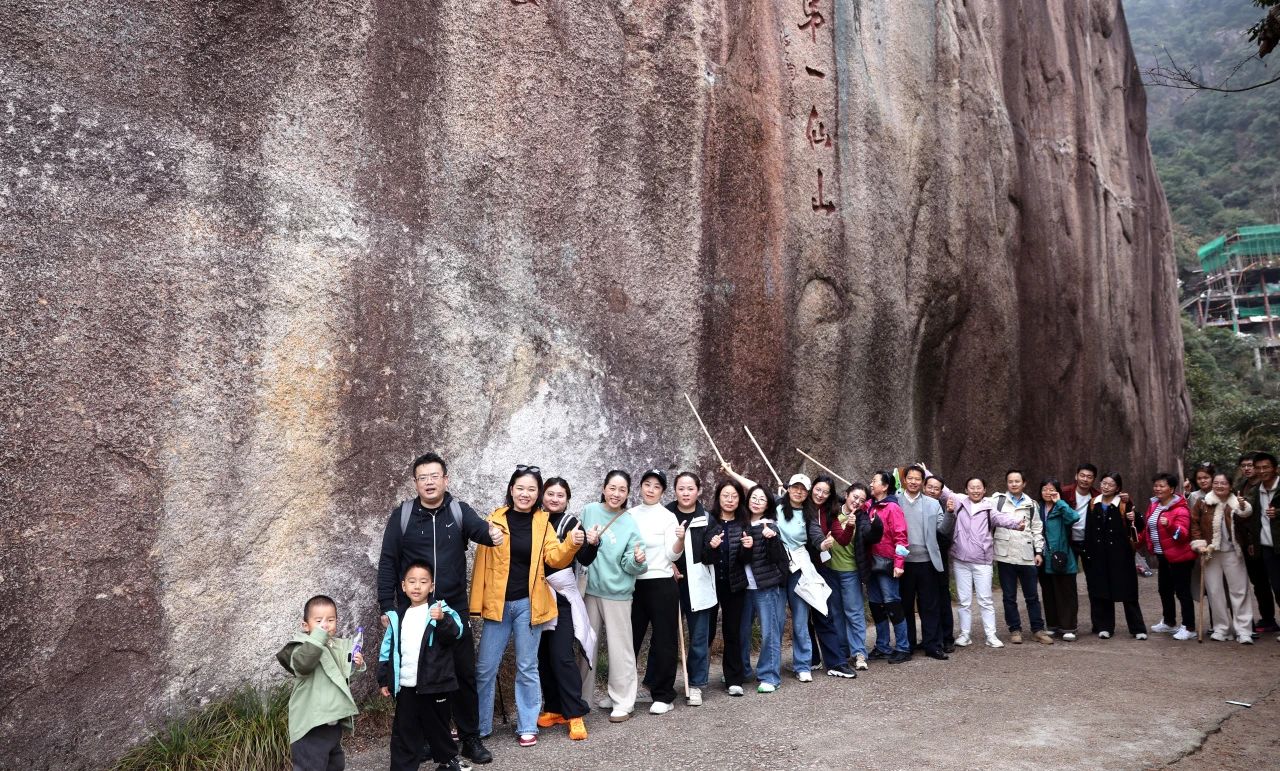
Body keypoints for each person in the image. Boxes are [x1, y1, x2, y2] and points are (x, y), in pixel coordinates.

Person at [377, 453, 501, 765]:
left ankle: (470, 738)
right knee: (420, 678)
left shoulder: (458, 510)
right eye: (423, 477)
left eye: (435, 476)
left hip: (452, 610)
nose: (429, 482)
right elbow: (388, 561)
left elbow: (479, 530)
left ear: (445, 479)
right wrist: (386, 606)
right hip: (415, 613)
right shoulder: (403, 515)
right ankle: (427, 741)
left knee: (463, 673)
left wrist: (491, 534)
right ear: (415, 482)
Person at [471, 467, 581, 747]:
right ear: (511, 490)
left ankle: (527, 725)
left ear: (538, 494)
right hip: (498, 605)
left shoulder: (543, 522)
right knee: (484, 668)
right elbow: (481, 565)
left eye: (532, 489)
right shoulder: (495, 520)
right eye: (520, 488)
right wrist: (477, 602)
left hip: (529, 604)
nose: (525, 494)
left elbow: (554, 558)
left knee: (527, 666)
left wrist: (570, 544)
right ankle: (479, 726)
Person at [378, 562, 466, 771]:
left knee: (437, 727)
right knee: (404, 730)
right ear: (403, 586)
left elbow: (456, 634)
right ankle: (402, 767)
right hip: (406, 685)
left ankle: (448, 761)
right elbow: (387, 648)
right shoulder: (397, 616)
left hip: (435, 684)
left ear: (432, 586)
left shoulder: (440, 610)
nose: (417, 586)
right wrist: (384, 678)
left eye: (423, 582)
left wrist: (443, 620)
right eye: (412, 581)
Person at [579, 471, 647, 723]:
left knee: (621, 650)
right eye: (612, 488)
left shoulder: (628, 522)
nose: (616, 494)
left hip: (617, 593)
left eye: (622, 490)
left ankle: (623, 701)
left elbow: (633, 562)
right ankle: (582, 700)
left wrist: (637, 560)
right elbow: (578, 547)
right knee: (586, 648)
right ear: (603, 488)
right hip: (589, 591)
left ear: (627, 493)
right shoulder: (588, 511)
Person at [536, 477, 599, 741]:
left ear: (567, 500)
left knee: (562, 655)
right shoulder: (535, 519)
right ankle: (553, 708)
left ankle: (575, 713)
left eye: (560, 495)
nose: (554, 499)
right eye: (550, 493)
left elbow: (584, 557)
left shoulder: (571, 523)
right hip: (535, 594)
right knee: (542, 655)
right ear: (542, 495)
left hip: (560, 594)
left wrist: (592, 543)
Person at [277, 595, 365, 771]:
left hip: (332, 722)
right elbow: (303, 664)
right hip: (310, 725)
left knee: (335, 764)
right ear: (305, 625)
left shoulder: (336, 646)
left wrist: (356, 665)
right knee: (311, 766)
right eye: (318, 621)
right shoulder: (301, 646)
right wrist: (318, 637)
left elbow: (342, 678)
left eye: (330, 620)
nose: (325, 625)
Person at [938, 477, 1024, 648]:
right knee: (964, 601)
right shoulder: (959, 501)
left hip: (982, 561)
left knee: (985, 600)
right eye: (972, 487)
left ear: (984, 490)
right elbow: (943, 490)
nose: (975, 491)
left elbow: (1002, 519)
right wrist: (924, 471)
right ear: (966, 489)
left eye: (979, 488)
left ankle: (991, 635)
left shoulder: (989, 507)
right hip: (961, 560)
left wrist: (1017, 524)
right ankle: (965, 635)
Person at [627, 469, 684, 715]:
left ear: (663, 492)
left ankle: (663, 695)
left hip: (661, 582)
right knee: (628, 640)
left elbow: (672, 555)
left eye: (657, 486)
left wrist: (680, 539)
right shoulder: (629, 514)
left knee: (664, 640)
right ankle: (622, 694)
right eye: (647, 484)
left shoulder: (668, 517)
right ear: (640, 487)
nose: (651, 490)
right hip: (633, 584)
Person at [666, 471, 716, 706]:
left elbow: (709, 557)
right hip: (670, 581)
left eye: (690, 489)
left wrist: (713, 547)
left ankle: (696, 684)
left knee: (699, 637)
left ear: (699, 490)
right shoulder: (665, 515)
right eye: (681, 488)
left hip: (698, 583)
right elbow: (656, 547)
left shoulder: (706, 518)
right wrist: (669, 565)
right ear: (675, 491)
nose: (685, 493)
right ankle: (660, 685)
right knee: (666, 636)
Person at [1191, 472, 1255, 644]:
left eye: (1224, 483)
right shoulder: (1203, 502)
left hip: (1234, 552)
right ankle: (1221, 629)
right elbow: (1194, 524)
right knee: (1214, 591)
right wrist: (1199, 544)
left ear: (1230, 486)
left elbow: (1248, 522)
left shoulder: (1238, 503)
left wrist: (1243, 508)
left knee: (1239, 591)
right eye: (1216, 483)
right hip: (1210, 552)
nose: (1219, 486)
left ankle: (1244, 631)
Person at [992, 470, 1053, 645]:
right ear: (1006, 483)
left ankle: (1037, 630)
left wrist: (1039, 552)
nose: (1013, 484)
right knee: (1009, 596)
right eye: (1010, 481)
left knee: (1032, 596)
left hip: (1026, 555)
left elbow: (1037, 529)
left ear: (1024, 483)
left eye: (1017, 481)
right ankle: (1015, 629)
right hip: (1005, 555)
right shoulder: (998, 501)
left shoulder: (1031, 504)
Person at [1083, 473, 1147, 639]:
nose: (1106, 487)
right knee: (1102, 591)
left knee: (1128, 591)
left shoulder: (1124, 503)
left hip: (1121, 554)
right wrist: (1088, 551)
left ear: (1117, 488)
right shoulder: (1093, 503)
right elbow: (1089, 529)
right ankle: (1105, 627)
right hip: (1099, 554)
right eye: (1104, 483)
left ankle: (1137, 629)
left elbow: (1139, 526)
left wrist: (1134, 515)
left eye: (1110, 485)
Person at [895, 466, 949, 660]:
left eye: (917, 479)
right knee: (905, 605)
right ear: (904, 480)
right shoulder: (895, 501)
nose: (913, 482)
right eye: (910, 478)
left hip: (927, 561)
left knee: (929, 605)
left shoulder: (933, 504)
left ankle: (932, 645)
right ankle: (907, 645)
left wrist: (950, 514)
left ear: (923, 483)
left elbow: (943, 530)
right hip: (903, 562)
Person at [702, 480, 750, 695]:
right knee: (706, 631)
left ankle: (734, 679)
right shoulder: (707, 520)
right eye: (725, 495)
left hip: (735, 584)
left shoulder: (743, 522)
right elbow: (703, 557)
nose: (729, 500)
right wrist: (711, 547)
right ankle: (699, 679)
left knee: (733, 631)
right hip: (710, 584)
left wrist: (748, 548)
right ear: (718, 497)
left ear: (739, 499)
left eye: (734, 496)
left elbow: (745, 560)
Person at [741, 484, 790, 692]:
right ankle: (742, 671)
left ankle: (769, 676)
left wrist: (771, 539)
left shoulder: (771, 525)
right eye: (754, 497)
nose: (757, 502)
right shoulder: (740, 523)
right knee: (741, 631)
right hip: (743, 587)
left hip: (766, 587)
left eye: (762, 499)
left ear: (768, 504)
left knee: (769, 631)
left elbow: (777, 558)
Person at [809, 475, 858, 678]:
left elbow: (843, 540)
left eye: (825, 492)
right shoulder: (800, 506)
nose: (820, 495)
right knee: (802, 618)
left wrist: (850, 526)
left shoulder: (830, 512)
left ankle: (835, 661)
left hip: (821, 567)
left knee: (824, 614)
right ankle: (811, 659)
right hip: (797, 567)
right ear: (811, 488)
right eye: (818, 490)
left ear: (830, 495)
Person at [828, 482, 880, 670]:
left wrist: (876, 526)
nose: (857, 502)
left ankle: (859, 653)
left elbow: (870, 534)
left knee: (854, 612)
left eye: (862, 500)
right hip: (829, 571)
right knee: (836, 613)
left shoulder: (862, 518)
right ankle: (842, 652)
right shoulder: (832, 512)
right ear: (846, 494)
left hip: (850, 572)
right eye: (855, 497)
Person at [1140, 473, 1197, 641]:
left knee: (1182, 592)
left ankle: (1189, 627)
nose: (1157, 489)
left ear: (1171, 489)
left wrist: (1171, 525)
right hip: (1162, 555)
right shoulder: (1154, 505)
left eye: (1162, 486)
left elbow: (1182, 535)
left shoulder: (1181, 508)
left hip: (1180, 557)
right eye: (1156, 485)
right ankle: (1169, 622)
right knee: (1164, 590)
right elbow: (1148, 528)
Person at [865, 471, 911, 663]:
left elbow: (901, 537)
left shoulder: (892, 507)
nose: (871, 484)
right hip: (870, 563)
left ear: (885, 486)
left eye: (874, 481)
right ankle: (882, 646)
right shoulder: (869, 505)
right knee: (876, 606)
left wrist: (899, 564)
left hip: (887, 563)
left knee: (892, 604)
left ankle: (903, 647)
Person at [1241, 452, 1280, 636]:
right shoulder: (1255, 490)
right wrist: (1252, 541)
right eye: (1259, 468)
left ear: (1275, 468)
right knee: (1275, 586)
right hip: (1266, 547)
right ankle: (1269, 620)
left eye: (1266, 467)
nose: (1262, 471)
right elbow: (1252, 519)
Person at [1037, 479, 1081, 641]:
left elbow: (1074, 517)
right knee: (1049, 592)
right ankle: (1053, 625)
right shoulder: (1037, 508)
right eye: (1044, 489)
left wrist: (1060, 502)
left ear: (1057, 492)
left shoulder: (1061, 507)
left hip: (1061, 555)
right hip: (1043, 556)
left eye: (1051, 489)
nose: (1048, 492)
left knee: (1066, 593)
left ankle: (1069, 627)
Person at [923, 475, 956, 652]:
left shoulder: (944, 508)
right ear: (924, 487)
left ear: (940, 492)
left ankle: (947, 637)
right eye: (930, 487)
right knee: (926, 601)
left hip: (940, 560)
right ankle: (930, 637)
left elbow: (945, 536)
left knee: (942, 598)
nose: (932, 491)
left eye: (936, 489)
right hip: (921, 561)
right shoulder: (919, 504)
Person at [1063, 464, 1098, 566]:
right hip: (1068, 539)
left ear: (1094, 479)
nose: (1085, 479)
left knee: (1092, 570)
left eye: (1089, 477)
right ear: (1076, 476)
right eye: (1082, 475)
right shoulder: (1064, 492)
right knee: (1069, 572)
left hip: (1088, 540)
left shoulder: (1097, 496)